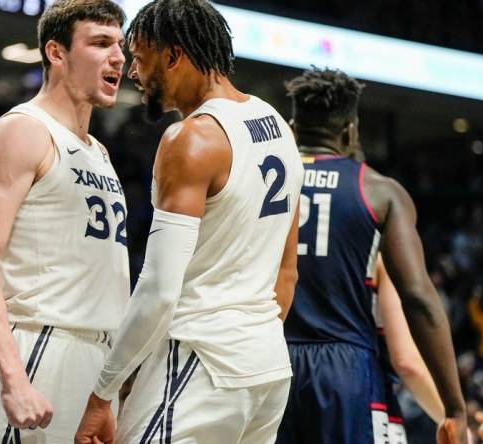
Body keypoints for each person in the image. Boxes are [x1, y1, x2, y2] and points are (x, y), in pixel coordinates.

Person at [76, 1, 303, 442]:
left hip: (202, 363)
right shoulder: (279, 126)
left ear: (174, 56)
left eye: (140, 60)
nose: (134, 74)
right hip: (267, 369)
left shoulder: (191, 139)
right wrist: (250, 344)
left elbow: (160, 289)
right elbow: (287, 272)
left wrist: (102, 393)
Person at [0, 0, 129, 442]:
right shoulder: (23, 131)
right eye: (101, 43)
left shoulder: (99, 153)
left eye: (120, 45)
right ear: (57, 52)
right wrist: (14, 379)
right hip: (38, 349)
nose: (118, 57)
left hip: (94, 356)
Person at [274, 67, 467, 444]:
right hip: (344, 370)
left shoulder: (260, 181)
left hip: (267, 358)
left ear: (293, 127)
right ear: (351, 131)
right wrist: (454, 407)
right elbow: (417, 295)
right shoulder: (379, 190)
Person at [372, 255, 444, 443]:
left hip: (296, 373)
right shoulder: (379, 257)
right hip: (367, 394)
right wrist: (451, 418)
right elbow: (407, 363)